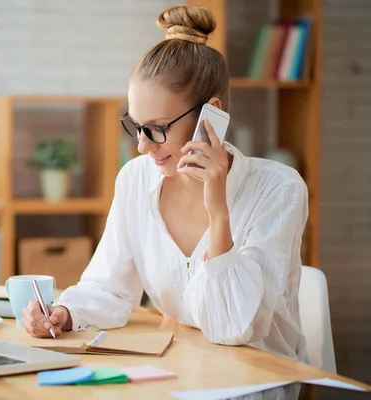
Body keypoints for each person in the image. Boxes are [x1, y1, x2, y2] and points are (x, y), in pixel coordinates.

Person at [22, 5, 308, 362]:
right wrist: (64, 315)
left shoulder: (278, 189)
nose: (142, 147)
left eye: (157, 129)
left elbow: (233, 328)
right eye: (136, 126)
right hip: (184, 366)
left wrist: (217, 209)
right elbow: (109, 289)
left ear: (211, 116)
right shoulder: (136, 178)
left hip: (261, 377)